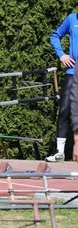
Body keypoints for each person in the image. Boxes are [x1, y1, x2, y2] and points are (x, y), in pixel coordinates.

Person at [47, 13, 78, 162]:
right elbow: (54, 35)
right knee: (64, 110)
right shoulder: (72, 19)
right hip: (73, 73)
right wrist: (61, 55)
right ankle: (60, 152)